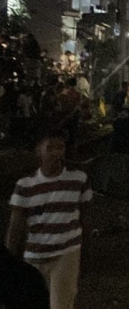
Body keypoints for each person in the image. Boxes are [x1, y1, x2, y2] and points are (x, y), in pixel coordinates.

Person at [5, 130, 92, 309]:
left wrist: (85, 252)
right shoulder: (25, 186)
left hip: (66, 252)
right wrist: (9, 261)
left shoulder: (78, 180)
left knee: (60, 304)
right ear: (39, 151)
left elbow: (85, 217)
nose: (56, 152)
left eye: (60, 147)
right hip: (34, 255)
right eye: (50, 147)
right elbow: (16, 226)